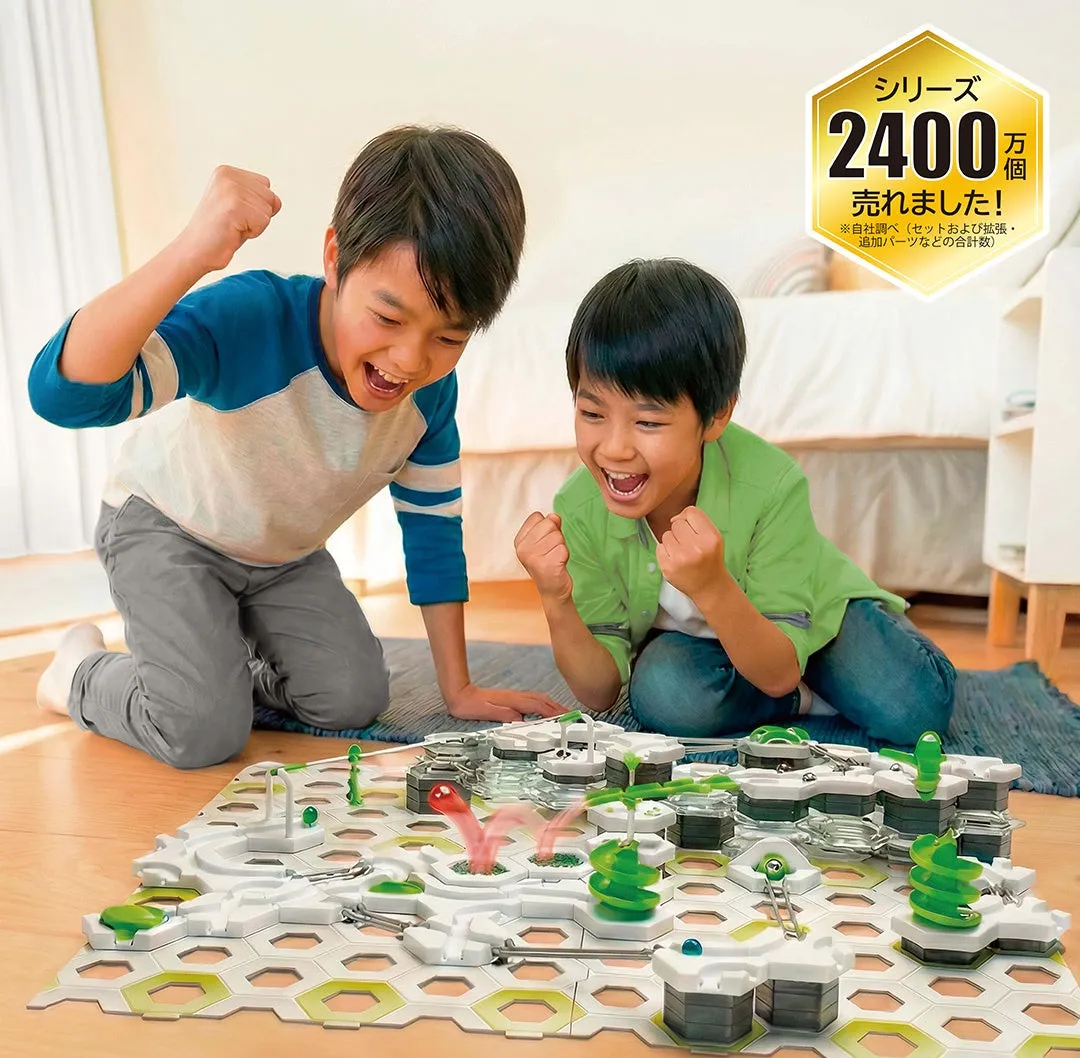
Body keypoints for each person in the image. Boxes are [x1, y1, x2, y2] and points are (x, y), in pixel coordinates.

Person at [28, 124, 560, 769]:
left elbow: (433, 531)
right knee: (201, 734)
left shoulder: (430, 397)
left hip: (280, 557)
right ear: (334, 258)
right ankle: (77, 673)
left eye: (449, 337)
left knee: (352, 699)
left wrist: (459, 688)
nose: (409, 360)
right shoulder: (252, 319)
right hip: (166, 527)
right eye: (388, 318)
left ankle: (213, 669)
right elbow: (64, 396)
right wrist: (195, 249)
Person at [514, 257, 956, 745]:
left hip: (817, 620)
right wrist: (555, 599)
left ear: (717, 416)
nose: (615, 448)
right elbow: (598, 693)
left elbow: (778, 669)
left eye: (649, 422)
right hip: (715, 649)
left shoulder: (771, 483)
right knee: (663, 694)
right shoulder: (580, 507)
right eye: (592, 413)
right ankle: (806, 699)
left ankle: (849, 655)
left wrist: (712, 586)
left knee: (913, 710)